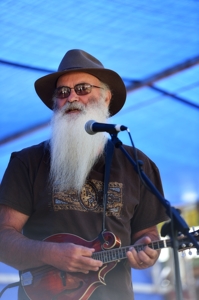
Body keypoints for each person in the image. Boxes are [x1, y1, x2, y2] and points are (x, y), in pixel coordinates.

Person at [0, 49, 168, 300]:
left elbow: (147, 235)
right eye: (63, 92)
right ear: (55, 103)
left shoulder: (139, 164)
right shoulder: (28, 162)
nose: (71, 98)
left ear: (106, 98)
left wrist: (147, 253)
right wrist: (50, 254)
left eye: (82, 88)